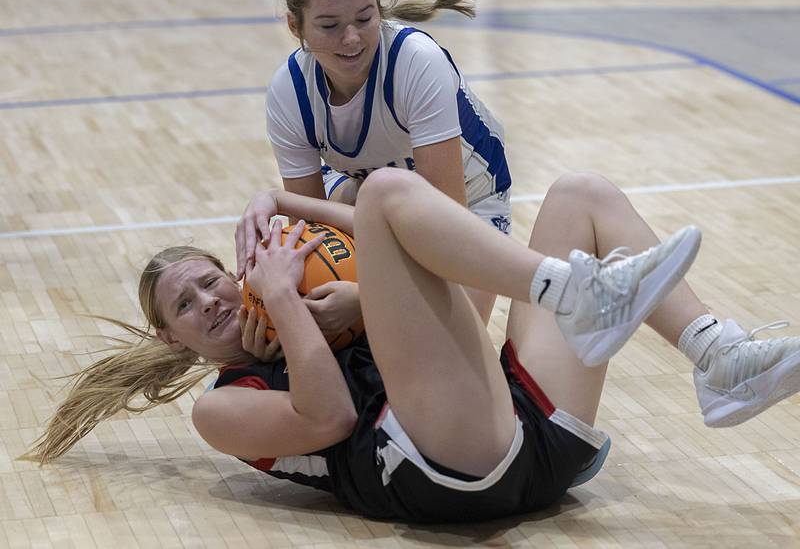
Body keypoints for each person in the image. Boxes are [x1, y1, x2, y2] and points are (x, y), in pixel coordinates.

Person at [23, 170, 800, 523]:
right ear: (173, 338)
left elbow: (458, 306)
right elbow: (326, 415)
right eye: (186, 307)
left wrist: (278, 202)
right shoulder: (220, 406)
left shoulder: (315, 308)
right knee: (385, 197)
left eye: (210, 280)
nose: (211, 301)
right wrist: (289, 305)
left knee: (580, 195)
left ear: (238, 270)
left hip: (530, 443)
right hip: (440, 474)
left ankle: (718, 356)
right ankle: (576, 293)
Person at [239, 0, 510, 324]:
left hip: (469, 204)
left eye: (365, 19)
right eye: (329, 26)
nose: (351, 39)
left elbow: (443, 222)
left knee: (438, 338)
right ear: (294, 26)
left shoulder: (416, 61)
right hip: (365, 196)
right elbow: (316, 229)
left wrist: (369, 299)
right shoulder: (289, 91)